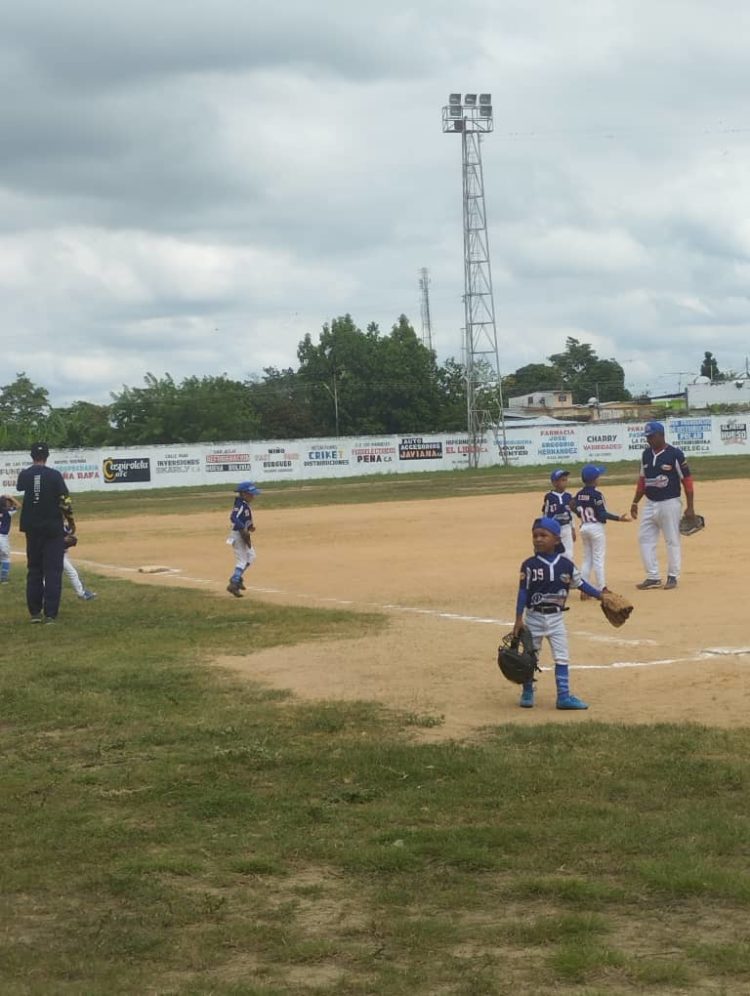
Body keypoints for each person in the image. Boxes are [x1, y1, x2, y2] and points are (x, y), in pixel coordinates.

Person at [513, 516, 603, 711]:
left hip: (556, 619)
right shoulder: (529, 565)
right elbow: (523, 592)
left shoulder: (566, 565)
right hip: (534, 617)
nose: (538, 539)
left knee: (562, 656)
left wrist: (600, 595)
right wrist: (518, 619)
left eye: (543, 535)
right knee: (530, 656)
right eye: (535, 535)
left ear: (556, 539)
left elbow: (581, 584)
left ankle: (563, 696)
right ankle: (527, 691)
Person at [630, 420, 697, 591]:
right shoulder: (645, 454)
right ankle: (653, 576)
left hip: (670, 503)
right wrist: (635, 501)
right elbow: (642, 480)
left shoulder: (675, 454)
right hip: (650, 503)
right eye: (647, 437)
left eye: (651, 436)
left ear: (661, 435)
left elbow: (687, 480)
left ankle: (673, 576)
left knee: (672, 540)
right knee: (644, 538)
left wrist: (690, 507)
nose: (648, 440)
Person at [15, 442, 70, 623]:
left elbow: (20, 488)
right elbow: (65, 501)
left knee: (35, 570)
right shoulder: (54, 475)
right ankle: (50, 614)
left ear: (31, 456)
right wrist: (71, 523)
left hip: (32, 528)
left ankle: (35, 613)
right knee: (53, 571)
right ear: (47, 456)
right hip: (52, 528)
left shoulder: (25, 474)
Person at [571, 465, 630, 597]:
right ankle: (602, 587)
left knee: (587, 559)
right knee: (598, 558)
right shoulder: (597, 495)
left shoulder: (580, 494)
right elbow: (602, 514)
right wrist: (619, 518)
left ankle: (584, 589)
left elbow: (572, 504)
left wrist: (580, 514)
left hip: (585, 526)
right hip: (596, 528)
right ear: (594, 480)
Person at [226, 481, 261, 597]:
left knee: (251, 556)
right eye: (251, 494)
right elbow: (233, 517)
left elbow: (245, 518)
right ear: (244, 494)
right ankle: (234, 583)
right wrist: (243, 528)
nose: (253, 496)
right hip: (238, 534)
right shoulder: (240, 505)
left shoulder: (245, 504)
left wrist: (250, 526)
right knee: (242, 560)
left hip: (243, 534)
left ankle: (236, 577)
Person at [541, 469, 576, 558]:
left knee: (569, 554)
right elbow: (545, 514)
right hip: (554, 529)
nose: (565, 482)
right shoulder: (549, 497)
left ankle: (567, 570)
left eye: (566, 480)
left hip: (567, 527)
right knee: (554, 553)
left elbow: (571, 514)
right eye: (562, 480)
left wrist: (573, 529)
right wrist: (545, 529)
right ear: (554, 483)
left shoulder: (568, 496)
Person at [63, 521, 96, 601]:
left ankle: (82, 593)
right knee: (72, 572)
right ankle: (81, 594)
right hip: (55, 554)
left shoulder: (62, 526)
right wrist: (63, 541)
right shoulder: (55, 525)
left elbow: (71, 530)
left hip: (60, 554)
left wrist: (71, 522)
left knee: (48, 576)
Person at [0, 494, 21, 583]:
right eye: (8, 502)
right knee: (6, 558)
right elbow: (19, 506)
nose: (10, 503)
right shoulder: (7, 511)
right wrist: (11, 497)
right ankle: (4, 579)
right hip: (2, 538)